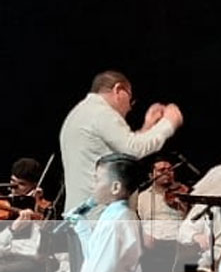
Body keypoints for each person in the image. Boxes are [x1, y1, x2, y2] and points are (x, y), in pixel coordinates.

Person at [59, 70, 184, 212]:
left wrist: (147, 127)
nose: (130, 107)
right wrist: (168, 123)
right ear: (118, 90)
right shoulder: (101, 112)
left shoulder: (79, 113)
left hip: (83, 214)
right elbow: (134, 149)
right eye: (130, 99)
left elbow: (121, 152)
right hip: (102, 215)